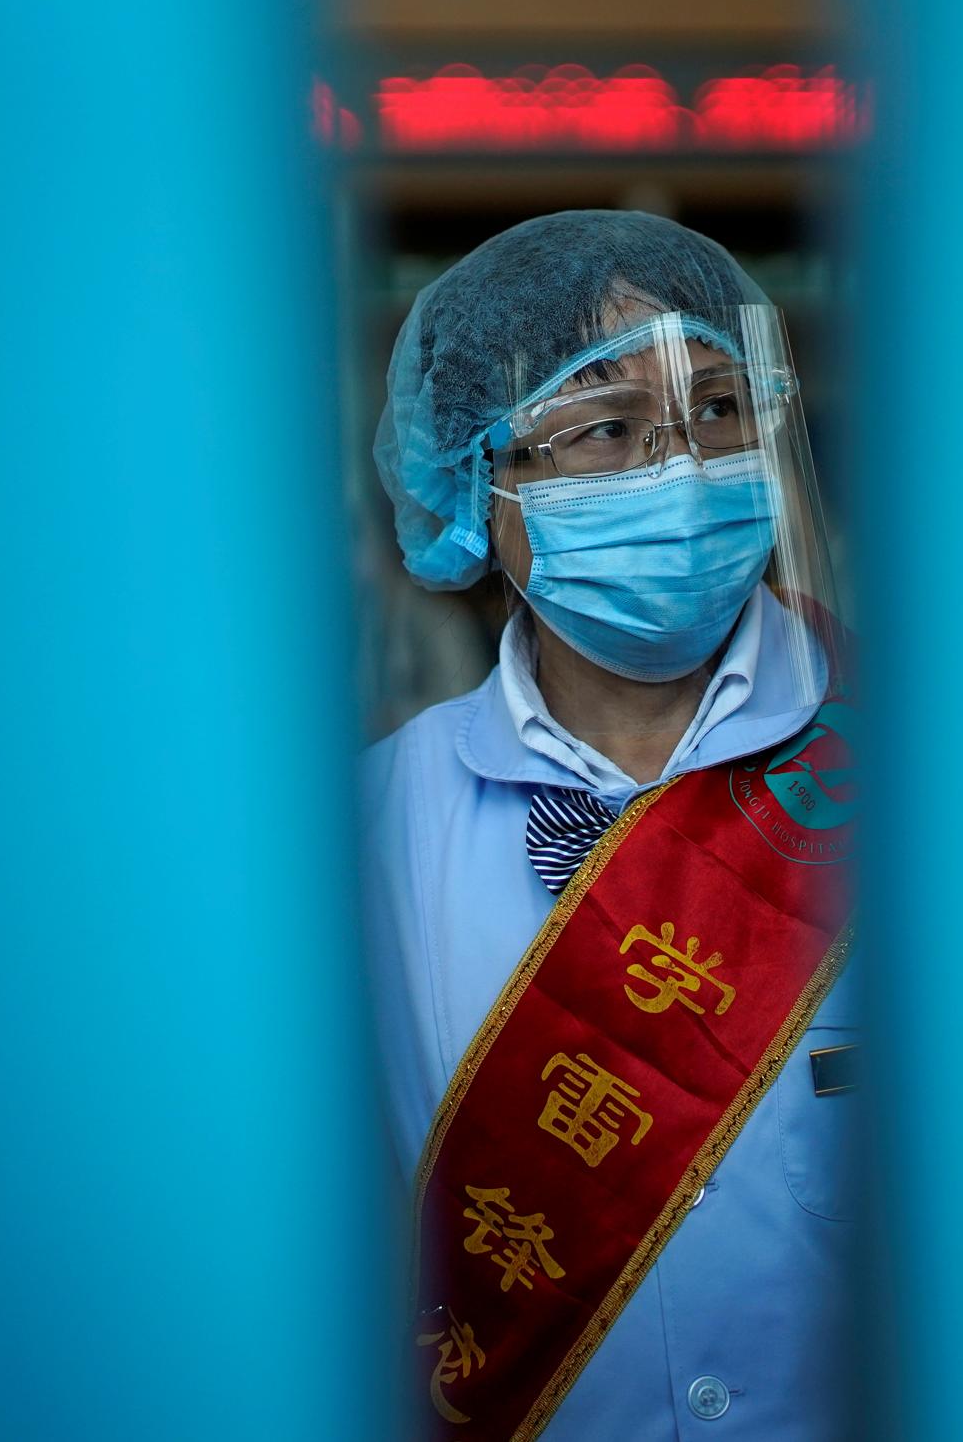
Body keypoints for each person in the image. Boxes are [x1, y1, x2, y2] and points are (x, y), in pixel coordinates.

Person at [361, 210, 862, 1440]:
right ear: (476, 486)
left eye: (720, 413)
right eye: (605, 429)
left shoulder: (929, 773)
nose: (683, 470)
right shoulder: (371, 828)